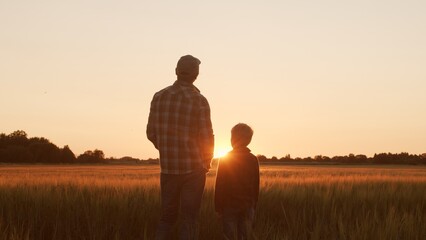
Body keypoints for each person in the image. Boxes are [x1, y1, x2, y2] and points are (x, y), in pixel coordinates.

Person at [147, 55, 214, 240]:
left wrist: (167, 149)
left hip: (167, 169)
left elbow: (151, 133)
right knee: (189, 218)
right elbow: (207, 136)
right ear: (196, 74)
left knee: (167, 217)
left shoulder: (158, 96)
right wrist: (205, 163)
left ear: (176, 71)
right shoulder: (199, 100)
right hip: (193, 169)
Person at [214, 123, 260, 240]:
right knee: (244, 235)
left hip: (229, 205)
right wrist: (254, 205)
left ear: (233, 139)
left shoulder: (225, 158)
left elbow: (220, 184)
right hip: (247, 205)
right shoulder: (253, 159)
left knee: (229, 236)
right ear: (249, 140)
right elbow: (256, 185)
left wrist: (218, 207)